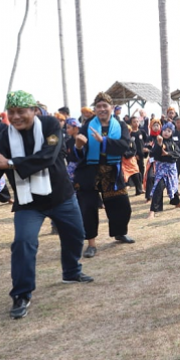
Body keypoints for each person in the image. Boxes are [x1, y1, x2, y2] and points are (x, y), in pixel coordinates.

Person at [0, 90, 93, 319]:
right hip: (29, 203)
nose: (16, 117)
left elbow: (49, 155)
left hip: (61, 196)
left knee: (76, 235)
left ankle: (72, 271)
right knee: (23, 244)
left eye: (21, 111)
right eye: (11, 112)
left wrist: (11, 163)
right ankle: (21, 294)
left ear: (34, 111)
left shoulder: (50, 126)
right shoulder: (4, 138)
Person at [73, 92, 135, 259]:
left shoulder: (120, 125)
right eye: (98, 106)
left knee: (122, 206)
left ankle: (119, 233)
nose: (101, 109)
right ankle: (91, 244)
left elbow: (123, 146)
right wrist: (78, 147)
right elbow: (76, 151)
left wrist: (104, 141)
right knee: (88, 208)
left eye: (105, 106)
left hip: (111, 172)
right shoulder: (87, 126)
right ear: (95, 109)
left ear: (111, 108)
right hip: (89, 172)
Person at [147, 123, 180, 219]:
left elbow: (177, 153)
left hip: (172, 169)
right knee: (159, 188)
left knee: (174, 186)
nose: (166, 133)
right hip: (162, 169)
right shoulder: (158, 141)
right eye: (165, 130)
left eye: (169, 131)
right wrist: (160, 145)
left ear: (172, 132)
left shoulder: (173, 143)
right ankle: (152, 211)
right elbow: (153, 154)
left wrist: (168, 153)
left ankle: (177, 203)